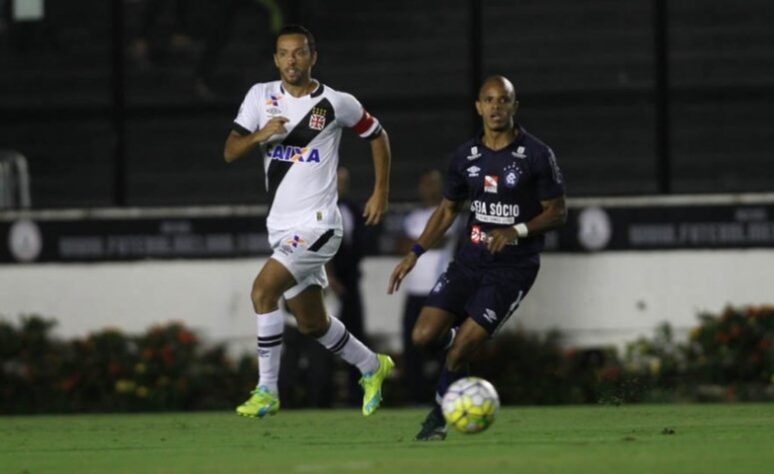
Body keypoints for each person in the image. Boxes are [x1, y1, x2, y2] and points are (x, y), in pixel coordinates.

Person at [224, 24, 394, 419]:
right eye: (283, 53)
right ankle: (372, 365)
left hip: (318, 225)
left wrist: (380, 191)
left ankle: (267, 390)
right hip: (281, 228)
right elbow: (230, 151)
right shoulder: (260, 96)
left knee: (263, 291)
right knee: (312, 323)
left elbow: (378, 135)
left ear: (313, 57)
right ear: (275, 59)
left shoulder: (335, 103)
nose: (291, 61)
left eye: (299, 53)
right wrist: (260, 135)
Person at [388, 75, 567, 440]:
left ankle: (436, 420)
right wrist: (415, 254)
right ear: (478, 107)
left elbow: (558, 212)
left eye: (503, 100)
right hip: (470, 261)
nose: (496, 107)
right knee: (422, 336)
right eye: (489, 100)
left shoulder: (536, 154)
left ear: (515, 106)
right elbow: (447, 210)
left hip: (513, 269)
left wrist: (514, 231)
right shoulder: (466, 156)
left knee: (459, 351)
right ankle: (458, 336)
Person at [397, 169, 460, 404]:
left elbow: (440, 240)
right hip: (414, 291)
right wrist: (421, 242)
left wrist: (415, 244)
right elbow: (399, 245)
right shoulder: (413, 217)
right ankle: (416, 397)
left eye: (432, 184)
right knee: (411, 345)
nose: (428, 190)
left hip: (439, 290)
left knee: (444, 345)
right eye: (424, 185)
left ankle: (446, 395)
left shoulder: (448, 213)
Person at [327, 166, 368, 405]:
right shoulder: (320, 207)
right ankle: (326, 395)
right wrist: (330, 277)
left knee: (355, 335)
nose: (341, 185)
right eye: (338, 180)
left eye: (345, 180)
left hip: (351, 283)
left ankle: (355, 392)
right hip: (328, 283)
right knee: (327, 336)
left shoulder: (354, 208)